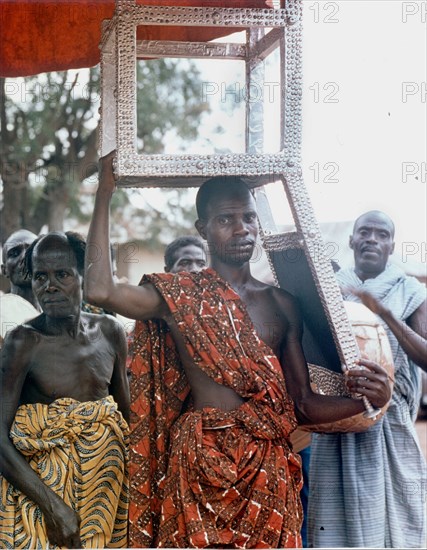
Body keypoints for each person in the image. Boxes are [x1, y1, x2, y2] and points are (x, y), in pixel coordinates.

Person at [84, 153, 391, 548]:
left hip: (268, 471)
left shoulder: (282, 303)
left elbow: (302, 404)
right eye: (226, 220)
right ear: (204, 228)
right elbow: (99, 291)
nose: (242, 229)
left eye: (248, 218)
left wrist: (368, 403)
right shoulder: (179, 295)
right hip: (201, 466)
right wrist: (105, 193)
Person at [0, 231, 130, 549]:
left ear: (83, 275)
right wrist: (53, 507)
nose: (50, 286)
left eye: (62, 275)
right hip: (41, 505)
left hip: (106, 496)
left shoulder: (110, 332)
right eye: (41, 276)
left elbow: (128, 421)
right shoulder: (22, 343)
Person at [308, 210, 427, 548]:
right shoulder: (328, 289)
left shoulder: (410, 291)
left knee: (394, 524)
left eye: (381, 234)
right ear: (352, 240)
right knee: (334, 524)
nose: (372, 239)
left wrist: (385, 314)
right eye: (365, 232)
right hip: (336, 422)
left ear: (392, 245)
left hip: (389, 424)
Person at [1, 229, 40, 344]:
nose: (24, 257)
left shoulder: (56, 313)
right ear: (4, 270)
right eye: (14, 253)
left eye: (31, 251)